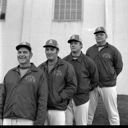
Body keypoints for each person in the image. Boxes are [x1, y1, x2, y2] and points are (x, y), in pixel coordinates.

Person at [0, 42, 48, 125]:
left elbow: (42, 101)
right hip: (7, 119)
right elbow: (2, 97)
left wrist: (39, 122)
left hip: (27, 120)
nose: (21, 54)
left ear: (31, 55)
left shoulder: (39, 74)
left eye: (25, 52)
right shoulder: (10, 73)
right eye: (19, 52)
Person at [86, 26, 123, 125]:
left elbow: (119, 66)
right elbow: (86, 67)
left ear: (106, 36)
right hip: (93, 86)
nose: (99, 36)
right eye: (97, 35)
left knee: (113, 113)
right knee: (88, 113)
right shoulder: (90, 50)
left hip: (108, 85)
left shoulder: (113, 50)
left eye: (101, 34)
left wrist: (112, 76)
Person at [38, 39, 77, 125]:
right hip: (43, 109)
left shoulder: (66, 66)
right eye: (47, 49)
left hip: (58, 109)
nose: (49, 52)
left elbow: (72, 86)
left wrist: (60, 97)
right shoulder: (40, 68)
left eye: (52, 49)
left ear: (57, 51)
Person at [63, 35, 99, 125]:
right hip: (67, 100)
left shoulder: (89, 61)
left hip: (82, 99)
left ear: (81, 45)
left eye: (75, 43)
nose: (73, 45)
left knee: (82, 123)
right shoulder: (64, 61)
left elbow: (95, 79)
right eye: (71, 43)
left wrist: (85, 88)